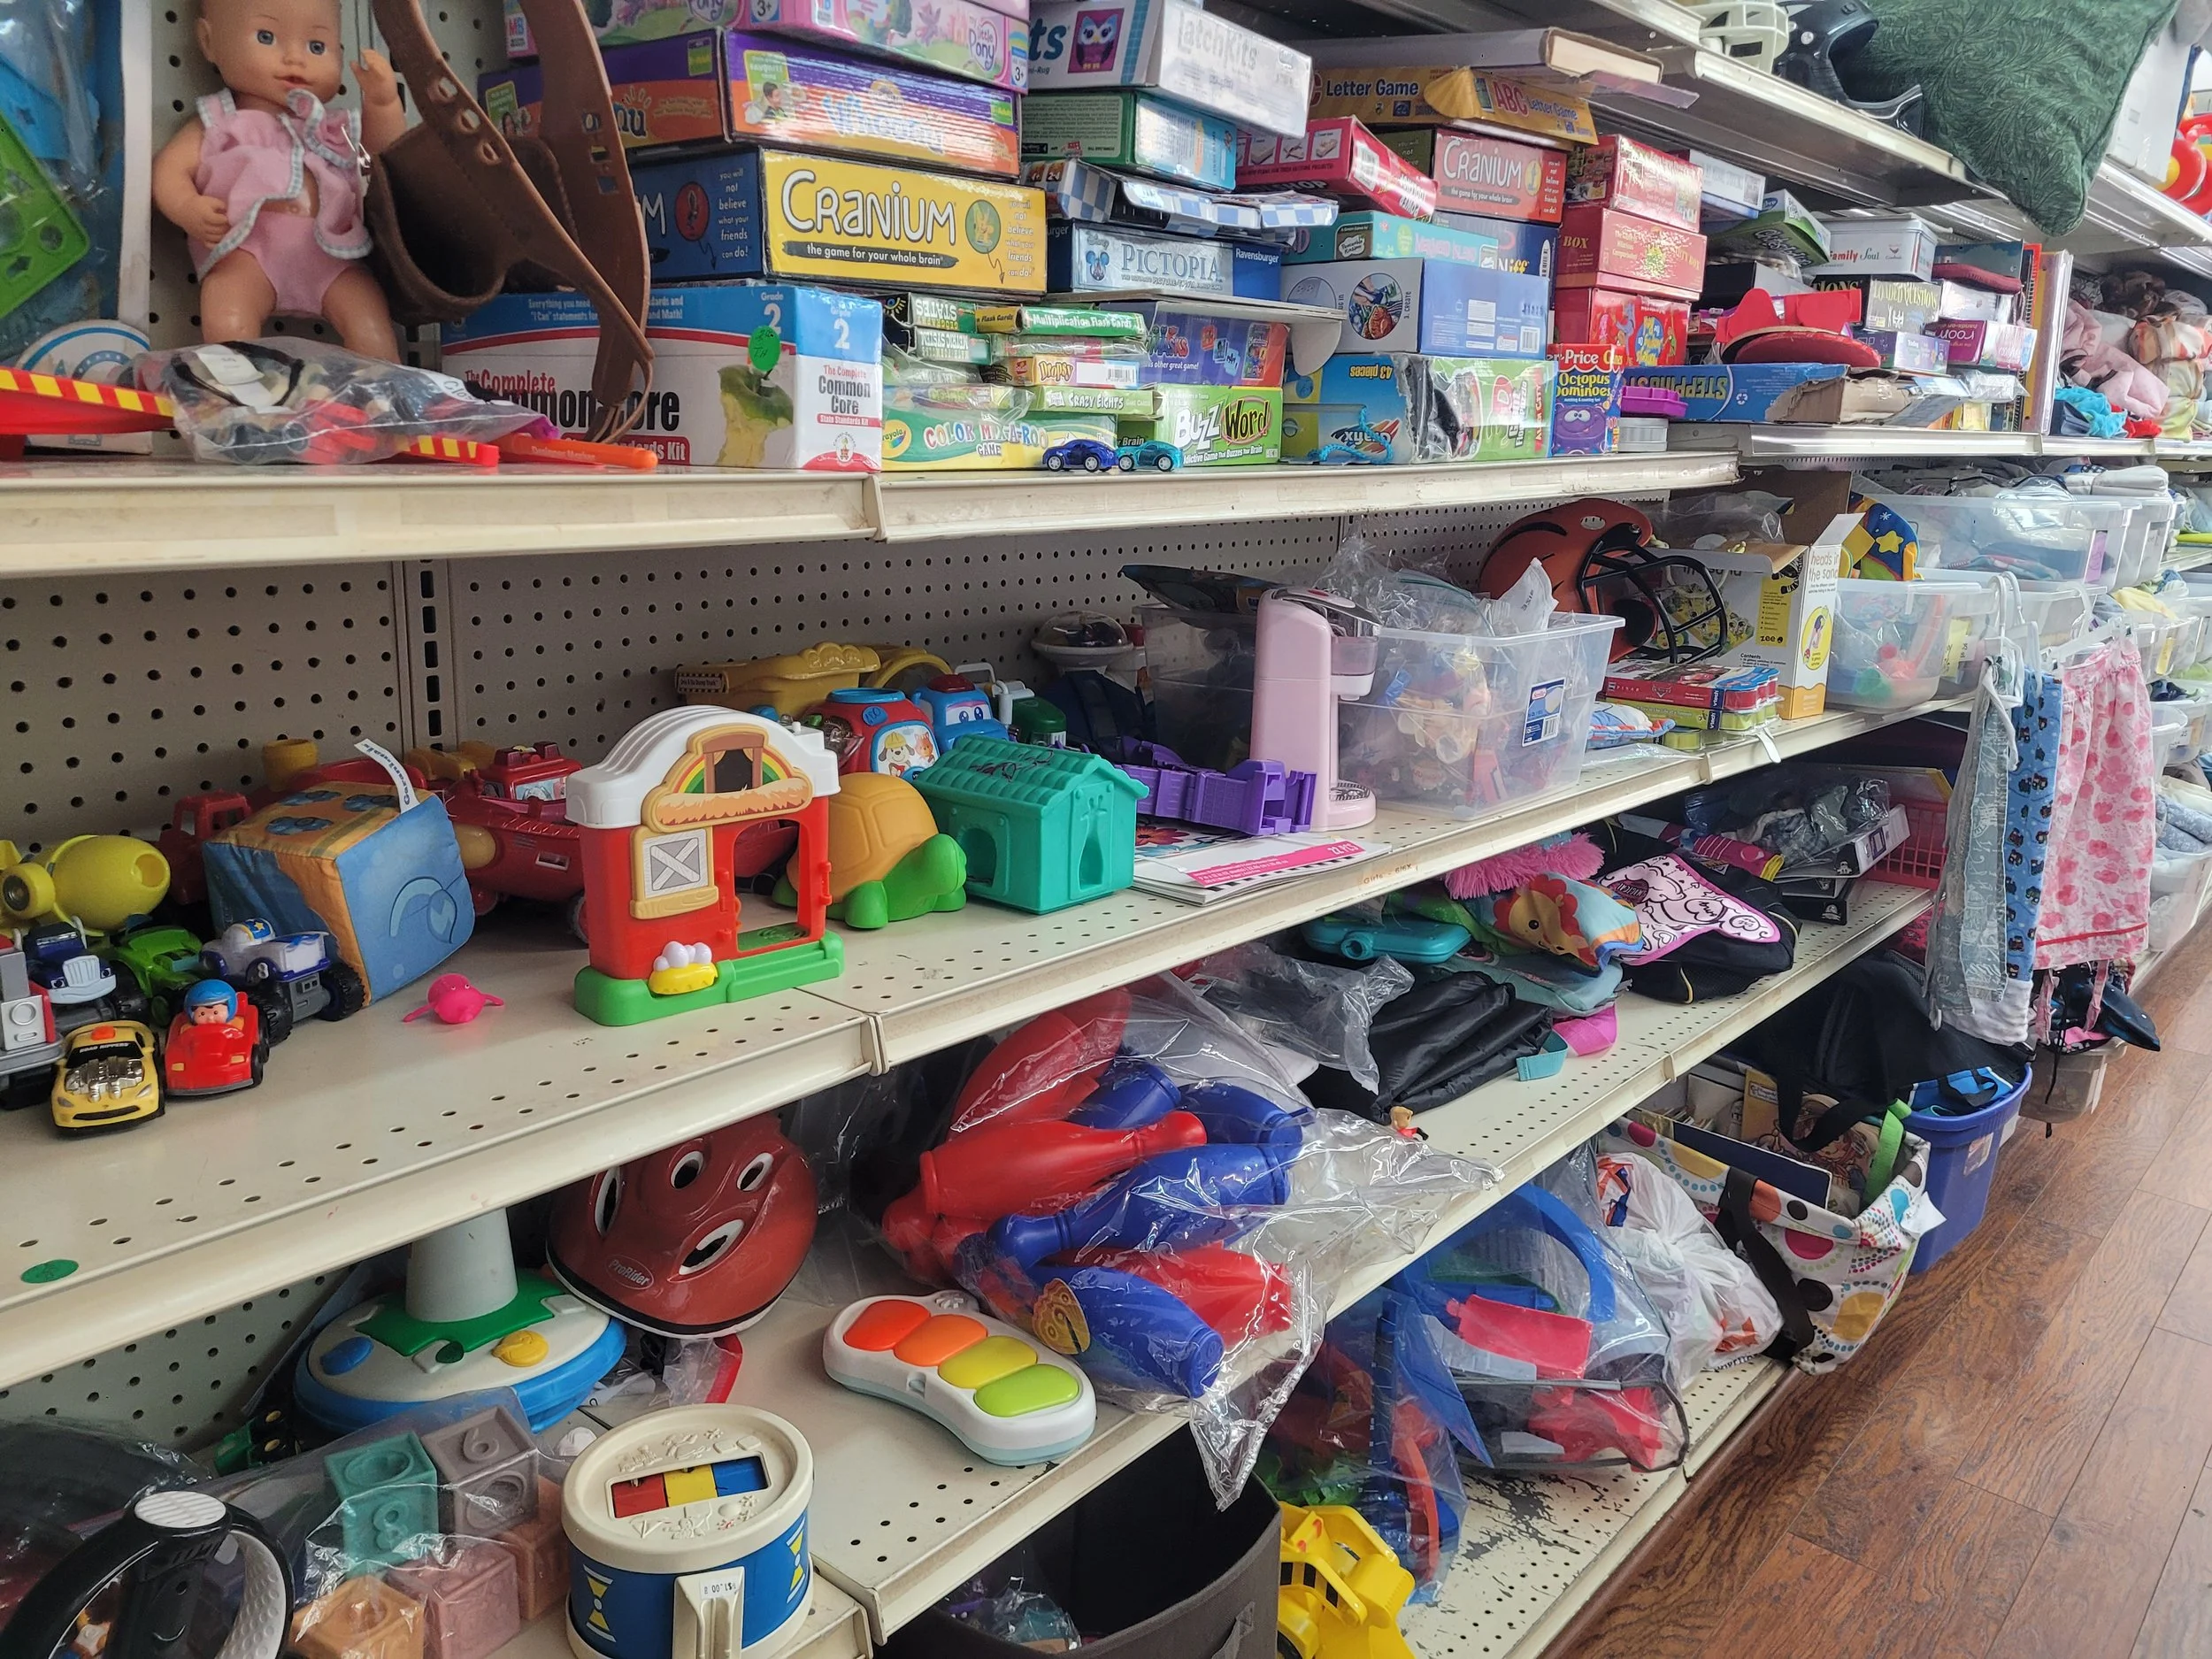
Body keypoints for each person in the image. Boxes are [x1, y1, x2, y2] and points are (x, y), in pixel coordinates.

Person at [152, 0, 403, 357]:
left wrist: (382, 104)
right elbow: (170, 169)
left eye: (317, 47)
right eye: (266, 37)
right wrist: (187, 206)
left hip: (333, 257)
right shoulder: (221, 122)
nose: (294, 59)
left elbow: (384, 154)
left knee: (371, 324)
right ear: (209, 42)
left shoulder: (333, 128)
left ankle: (381, 394)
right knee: (228, 316)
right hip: (249, 252)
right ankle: (242, 392)